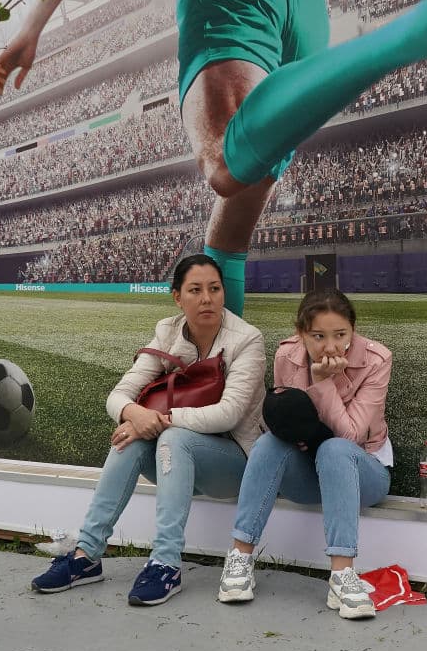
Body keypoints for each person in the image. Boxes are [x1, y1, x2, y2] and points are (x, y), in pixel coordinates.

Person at [0, 0, 427, 317]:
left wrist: (32, 25)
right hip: (304, 9)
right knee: (234, 220)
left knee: (224, 162)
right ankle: (223, 375)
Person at [30, 254, 266, 605]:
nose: (207, 299)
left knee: (167, 434)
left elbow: (229, 414)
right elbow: (118, 395)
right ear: (177, 297)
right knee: (130, 437)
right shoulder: (167, 331)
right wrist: (133, 414)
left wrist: (159, 419)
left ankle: (165, 563)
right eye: (195, 290)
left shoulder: (247, 339)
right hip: (174, 461)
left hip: (233, 462)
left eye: (215, 289)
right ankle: (86, 555)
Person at [217, 288, 393, 619]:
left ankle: (342, 574)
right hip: (308, 471)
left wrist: (323, 382)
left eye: (340, 334)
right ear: (301, 333)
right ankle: (240, 557)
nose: (331, 346)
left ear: (353, 330)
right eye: (318, 336)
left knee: (335, 449)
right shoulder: (287, 355)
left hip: (363, 474)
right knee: (268, 443)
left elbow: (351, 436)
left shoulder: (376, 359)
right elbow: (285, 424)